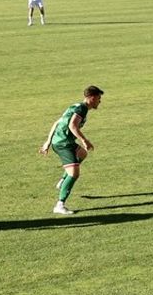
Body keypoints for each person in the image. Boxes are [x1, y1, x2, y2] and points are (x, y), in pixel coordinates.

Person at [39, 85, 104, 215]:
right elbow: (72, 126)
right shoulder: (81, 109)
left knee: (82, 154)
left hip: (64, 141)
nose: (99, 101)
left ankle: (63, 180)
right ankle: (60, 205)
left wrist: (48, 141)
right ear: (91, 98)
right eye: (98, 98)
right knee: (74, 173)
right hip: (63, 144)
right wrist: (84, 140)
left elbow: (57, 123)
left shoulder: (75, 106)